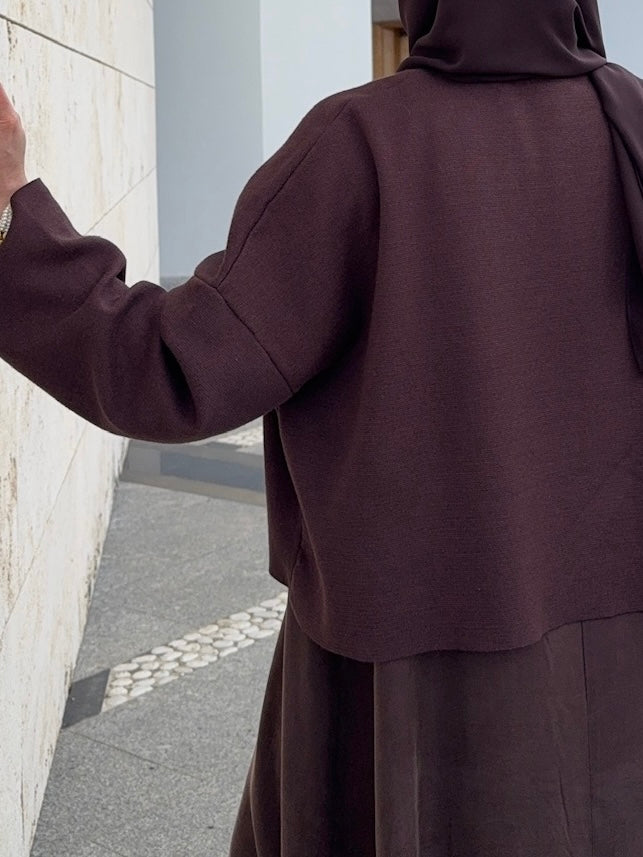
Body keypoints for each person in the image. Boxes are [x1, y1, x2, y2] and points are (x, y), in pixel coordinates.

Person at [4, 0, 643, 854]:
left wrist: (13, 223)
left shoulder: (362, 144)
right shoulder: (630, 124)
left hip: (397, 679)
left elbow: (169, 368)